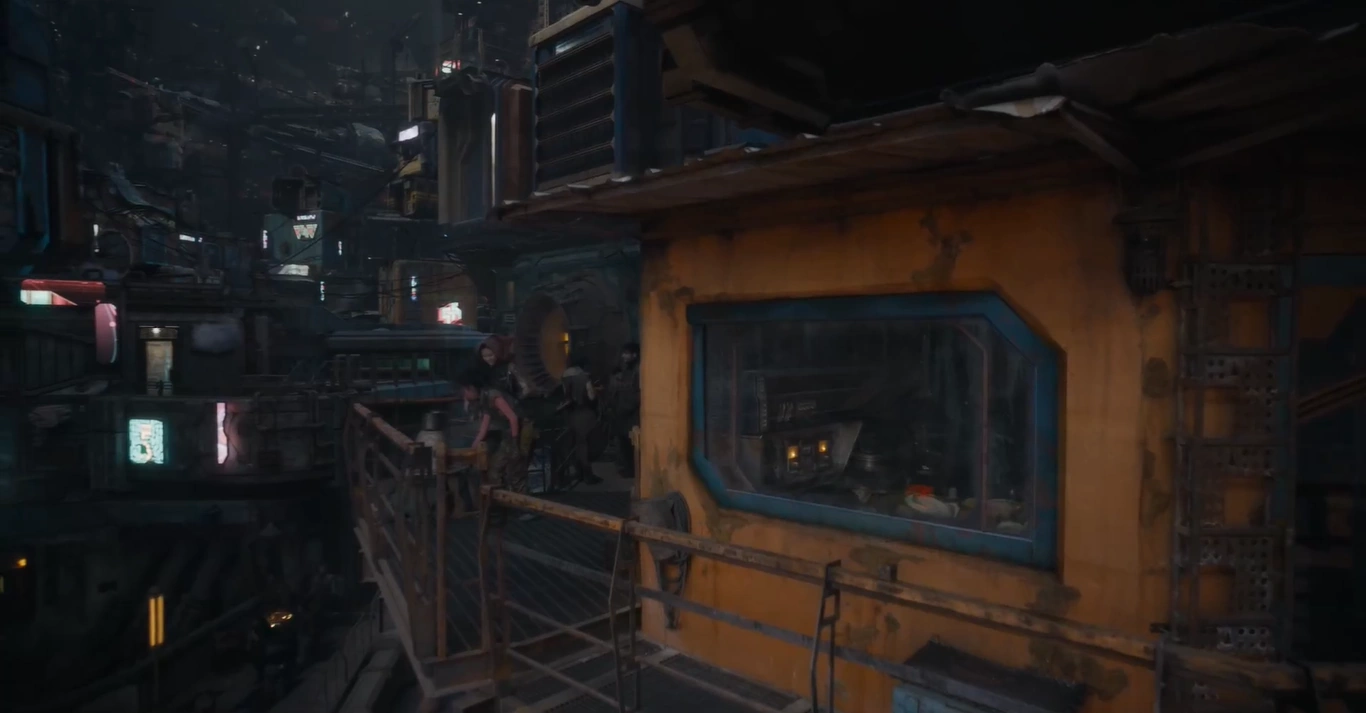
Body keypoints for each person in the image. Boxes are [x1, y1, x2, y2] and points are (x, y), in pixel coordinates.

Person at [462, 368, 529, 493]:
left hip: (522, 429)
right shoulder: (484, 399)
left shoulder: (493, 395)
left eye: (465, 390)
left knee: (515, 469)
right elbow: (484, 425)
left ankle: (522, 500)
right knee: (495, 469)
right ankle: (502, 499)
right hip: (510, 433)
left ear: (472, 388)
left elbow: (513, 418)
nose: (464, 394)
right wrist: (474, 447)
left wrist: (515, 443)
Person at [560, 354, 602, 486]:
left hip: (570, 414)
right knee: (586, 445)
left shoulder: (564, 377)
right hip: (585, 414)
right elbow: (591, 396)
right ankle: (588, 474)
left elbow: (564, 396)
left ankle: (578, 472)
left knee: (575, 445)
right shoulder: (584, 377)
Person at [604, 342, 641, 482]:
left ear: (634, 355)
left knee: (631, 444)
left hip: (630, 414)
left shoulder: (637, 371)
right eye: (623, 353)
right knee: (624, 443)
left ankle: (632, 470)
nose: (624, 356)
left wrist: (624, 406)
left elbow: (637, 394)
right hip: (622, 414)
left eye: (626, 353)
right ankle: (628, 469)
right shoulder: (627, 370)